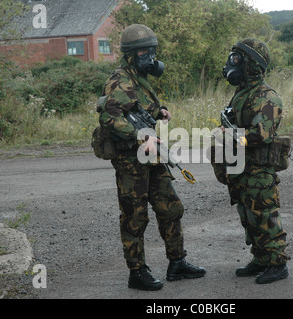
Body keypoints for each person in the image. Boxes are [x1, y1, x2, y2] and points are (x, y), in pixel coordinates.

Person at [98, 24, 205, 291]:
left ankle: (177, 263)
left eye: (152, 51)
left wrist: (160, 111)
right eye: (144, 51)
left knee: (171, 207)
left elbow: (140, 108)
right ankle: (137, 272)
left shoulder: (138, 78)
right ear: (131, 54)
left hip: (152, 155)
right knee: (135, 216)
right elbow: (109, 118)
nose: (150, 56)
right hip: (131, 160)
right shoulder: (119, 80)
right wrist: (140, 136)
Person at [212, 38, 289, 284]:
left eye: (237, 59)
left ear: (251, 64)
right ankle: (260, 259)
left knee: (264, 214)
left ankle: (277, 263)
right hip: (241, 166)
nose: (231, 63)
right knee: (248, 214)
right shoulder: (243, 93)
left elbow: (262, 135)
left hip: (259, 169)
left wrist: (231, 135)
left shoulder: (266, 97)